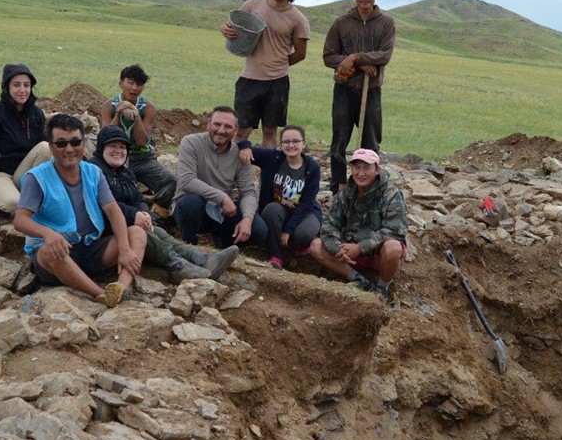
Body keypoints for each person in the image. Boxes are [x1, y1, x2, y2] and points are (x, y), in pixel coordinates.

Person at [14, 113, 147, 306]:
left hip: (90, 247)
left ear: (84, 144)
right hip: (58, 255)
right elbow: (20, 220)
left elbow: (112, 210)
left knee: (137, 233)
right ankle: (101, 294)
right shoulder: (37, 178)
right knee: (49, 251)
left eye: (75, 142)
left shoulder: (93, 172)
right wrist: (48, 234)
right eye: (61, 144)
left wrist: (125, 249)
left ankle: (121, 288)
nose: (69, 149)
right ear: (51, 147)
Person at [94, 126, 239, 282]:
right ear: (101, 147)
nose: (118, 151)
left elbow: (138, 198)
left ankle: (199, 258)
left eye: (122, 147)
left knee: (157, 230)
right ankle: (177, 266)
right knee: (144, 232)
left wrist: (144, 213)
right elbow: (106, 205)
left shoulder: (125, 172)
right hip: (104, 231)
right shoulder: (94, 171)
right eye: (112, 146)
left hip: (127, 223)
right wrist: (134, 215)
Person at [220, 0, 310, 149]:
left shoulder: (298, 19)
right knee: (241, 130)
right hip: (248, 79)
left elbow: (300, 54)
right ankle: (231, 175)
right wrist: (225, 29)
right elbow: (232, 25)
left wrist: (278, 65)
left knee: (270, 131)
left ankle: (267, 176)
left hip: (277, 83)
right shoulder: (253, 5)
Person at [322, 0, 396, 193]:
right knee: (339, 140)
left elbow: (384, 55)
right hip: (344, 90)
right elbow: (328, 56)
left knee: (370, 141)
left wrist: (354, 57)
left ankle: (368, 186)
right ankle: (339, 186)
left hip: (371, 90)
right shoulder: (341, 23)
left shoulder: (386, 23)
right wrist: (357, 63)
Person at [309, 148, 406, 300]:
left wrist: (361, 248)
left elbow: (395, 230)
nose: (361, 173)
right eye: (356, 168)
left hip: (377, 255)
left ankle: (382, 288)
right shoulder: (345, 193)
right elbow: (328, 223)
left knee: (393, 247)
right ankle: (360, 281)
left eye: (366, 168)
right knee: (316, 246)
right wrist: (338, 248)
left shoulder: (391, 194)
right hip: (349, 254)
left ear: (377, 169)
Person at [172, 107, 268, 250]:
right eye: (217, 124)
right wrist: (221, 197)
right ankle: (189, 247)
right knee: (189, 204)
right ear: (208, 124)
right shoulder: (191, 142)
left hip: (222, 212)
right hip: (196, 207)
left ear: (235, 131)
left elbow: (248, 192)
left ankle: (225, 247)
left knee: (259, 230)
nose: (221, 130)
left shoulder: (239, 154)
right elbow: (187, 180)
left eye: (228, 127)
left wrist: (248, 218)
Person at [0, 63, 52, 221]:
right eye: (16, 85)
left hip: (23, 174)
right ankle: (0, 199)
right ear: (6, 87)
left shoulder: (36, 114)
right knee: (13, 203)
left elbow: (46, 157)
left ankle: (33, 196)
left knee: (46, 148)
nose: (22, 90)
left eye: (26, 85)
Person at [237, 124, 321, 269]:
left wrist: (288, 230)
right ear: (280, 144)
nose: (291, 145)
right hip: (278, 210)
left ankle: (297, 246)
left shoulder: (312, 167)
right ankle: (275, 255)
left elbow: (307, 202)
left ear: (304, 144)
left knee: (303, 235)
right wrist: (245, 146)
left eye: (296, 141)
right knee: (271, 209)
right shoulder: (272, 158)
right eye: (286, 142)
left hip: (304, 211)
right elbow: (244, 146)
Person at [98, 64, 176, 213]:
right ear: (121, 83)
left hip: (142, 158)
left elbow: (141, 141)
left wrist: (136, 117)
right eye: (130, 83)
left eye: (139, 84)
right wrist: (118, 114)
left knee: (171, 181)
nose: (134, 88)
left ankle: (158, 212)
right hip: (114, 159)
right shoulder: (109, 106)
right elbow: (106, 137)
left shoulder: (148, 107)